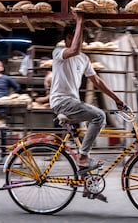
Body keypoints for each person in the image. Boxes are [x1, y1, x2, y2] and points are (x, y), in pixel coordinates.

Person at [49, 12, 125, 173]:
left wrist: (116, 99)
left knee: (85, 138)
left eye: (82, 39)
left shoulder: (84, 59)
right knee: (99, 116)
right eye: (78, 38)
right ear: (68, 39)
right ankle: (82, 158)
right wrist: (80, 21)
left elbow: (97, 81)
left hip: (72, 103)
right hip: (62, 102)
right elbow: (74, 49)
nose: (81, 42)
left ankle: (87, 181)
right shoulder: (58, 53)